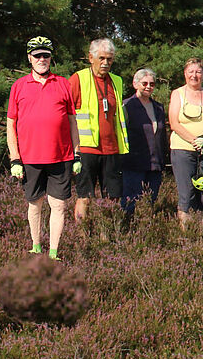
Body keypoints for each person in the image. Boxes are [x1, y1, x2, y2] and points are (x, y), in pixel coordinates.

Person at [7, 36, 76, 258]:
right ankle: (36, 246)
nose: (42, 59)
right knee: (34, 204)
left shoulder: (63, 84)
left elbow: (72, 121)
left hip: (61, 156)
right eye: (37, 55)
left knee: (58, 206)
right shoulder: (18, 86)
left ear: (50, 58)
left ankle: (54, 252)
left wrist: (77, 153)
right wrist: (15, 158)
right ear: (30, 58)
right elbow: (11, 125)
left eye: (46, 55)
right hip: (30, 158)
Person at [71, 37, 128, 221]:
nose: (105, 63)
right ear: (90, 58)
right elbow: (66, 114)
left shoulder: (117, 81)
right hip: (86, 149)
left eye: (109, 59)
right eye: (101, 58)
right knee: (84, 198)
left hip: (111, 149)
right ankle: (82, 238)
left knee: (112, 197)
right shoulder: (78, 79)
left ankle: (106, 237)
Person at [168, 57, 203, 228]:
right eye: (191, 71)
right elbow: (174, 123)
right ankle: (186, 232)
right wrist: (195, 141)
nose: (194, 75)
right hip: (183, 150)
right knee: (187, 193)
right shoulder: (177, 94)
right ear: (185, 74)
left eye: (198, 72)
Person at [121, 68, 168, 217]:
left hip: (155, 164)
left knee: (150, 203)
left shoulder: (159, 107)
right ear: (135, 84)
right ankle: (126, 234)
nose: (148, 86)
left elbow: (162, 136)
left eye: (152, 84)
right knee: (130, 203)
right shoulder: (126, 106)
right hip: (133, 164)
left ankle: (145, 232)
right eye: (144, 83)